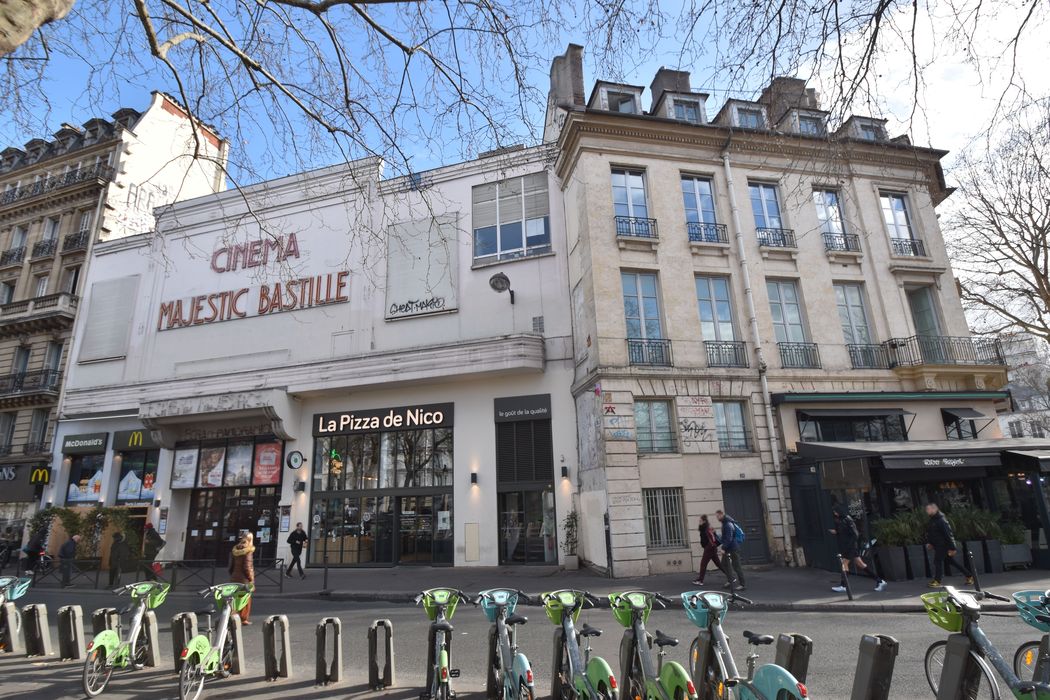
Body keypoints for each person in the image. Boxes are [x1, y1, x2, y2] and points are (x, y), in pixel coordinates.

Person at [829, 507, 887, 592]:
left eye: (836, 512)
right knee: (861, 564)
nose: (835, 514)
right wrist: (836, 531)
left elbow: (855, 534)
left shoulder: (848, 520)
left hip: (850, 547)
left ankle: (843, 586)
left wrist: (850, 544)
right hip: (849, 546)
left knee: (844, 563)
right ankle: (880, 581)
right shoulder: (843, 520)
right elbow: (845, 531)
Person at [925, 502, 974, 587]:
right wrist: (931, 543)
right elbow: (932, 533)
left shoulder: (941, 520)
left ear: (934, 509)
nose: (927, 511)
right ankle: (969, 576)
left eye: (928, 509)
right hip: (938, 545)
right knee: (951, 561)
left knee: (937, 561)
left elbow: (948, 534)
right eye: (926, 509)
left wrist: (953, 548)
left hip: (943, 545)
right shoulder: (933, 520)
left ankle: (937, 581)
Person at [228, 532, 255, 625]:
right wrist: (250, 578)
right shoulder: (248, 551)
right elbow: (247, 567)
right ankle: (243, 618)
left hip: (234, 577)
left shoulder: (235, 549)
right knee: (246, 599)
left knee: (235, 598)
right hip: (244, 579)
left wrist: (233, 575)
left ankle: (232, 616)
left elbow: (231, 566)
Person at [715, 510, 745, 590]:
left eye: (718, 516)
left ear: (722, 515)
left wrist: (723, 548)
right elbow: (725, 537)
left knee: (736, 566)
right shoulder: (725, 523)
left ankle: (742, 585)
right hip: (728, 548)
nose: (717, 518)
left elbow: (729, 538)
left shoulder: (728, 524)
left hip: (733, 548)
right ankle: (730, 579)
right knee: (724, 564)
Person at [693, 514, 725, 586]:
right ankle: (731, 577)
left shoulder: (707, 528)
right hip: (711, 548)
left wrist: (710, 546)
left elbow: (712, 538)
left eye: (700, 520)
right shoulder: (703, 528)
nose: (699, 521)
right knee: (719, 564)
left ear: (704, 521)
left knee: (703, 564)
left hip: (709, 548)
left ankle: (700, 580)